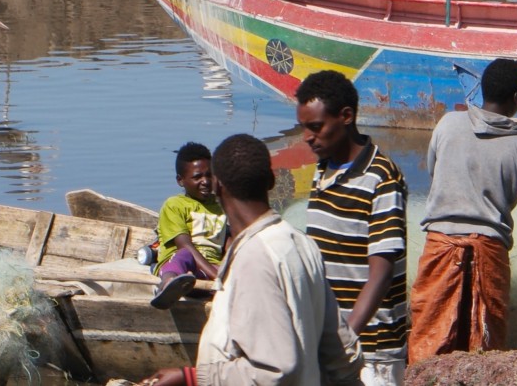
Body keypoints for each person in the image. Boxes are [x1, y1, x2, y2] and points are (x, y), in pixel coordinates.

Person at [138, 133, 362, 386]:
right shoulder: (303, 244)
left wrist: (190, 377)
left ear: (217, 186)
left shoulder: (254, 259)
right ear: (271, 181)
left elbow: (276, 369)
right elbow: (344, 354)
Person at [410, 57, 517, 363]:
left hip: (439, 246)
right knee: (485, 347)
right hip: (489, 251)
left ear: (482, 89)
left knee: (428, 336)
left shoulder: (447, 124)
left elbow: (436, 176)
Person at [297, 70, 408, 386]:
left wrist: (345, 339)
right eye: (304, 127)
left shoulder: (381, 178)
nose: (307, 136)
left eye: (316, 127)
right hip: (333, 339)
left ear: (346, 116)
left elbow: (382, 274)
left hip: (371, 350)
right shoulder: (324, 169)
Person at [152, 142, 228, 309]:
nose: (205, 181)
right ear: (181, 180)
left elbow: (229, 243)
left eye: (209, 175)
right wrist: (216, 275)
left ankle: (195, 288)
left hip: (207, 269)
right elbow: (185, 246)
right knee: (184, 254)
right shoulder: (174, 205)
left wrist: (223, 272)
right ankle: (168, 284)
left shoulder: (221, 206)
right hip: (181, 265)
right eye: (197, 177)